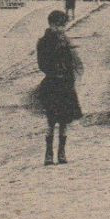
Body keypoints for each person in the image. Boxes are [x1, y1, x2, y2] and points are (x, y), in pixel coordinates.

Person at [34, 10, 82, 165]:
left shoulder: (67, 41)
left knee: (64, 120)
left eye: (63, 26)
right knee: (51, 120)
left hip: (66, 84)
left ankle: (62, 152)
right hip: (52, 84)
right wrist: (53, 70)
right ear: (51, 25)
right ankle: (48, 152)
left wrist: (72, 75)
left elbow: (75, 62)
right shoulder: (43, 42)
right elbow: (42, 63)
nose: (61, 29)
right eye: (58, 25)